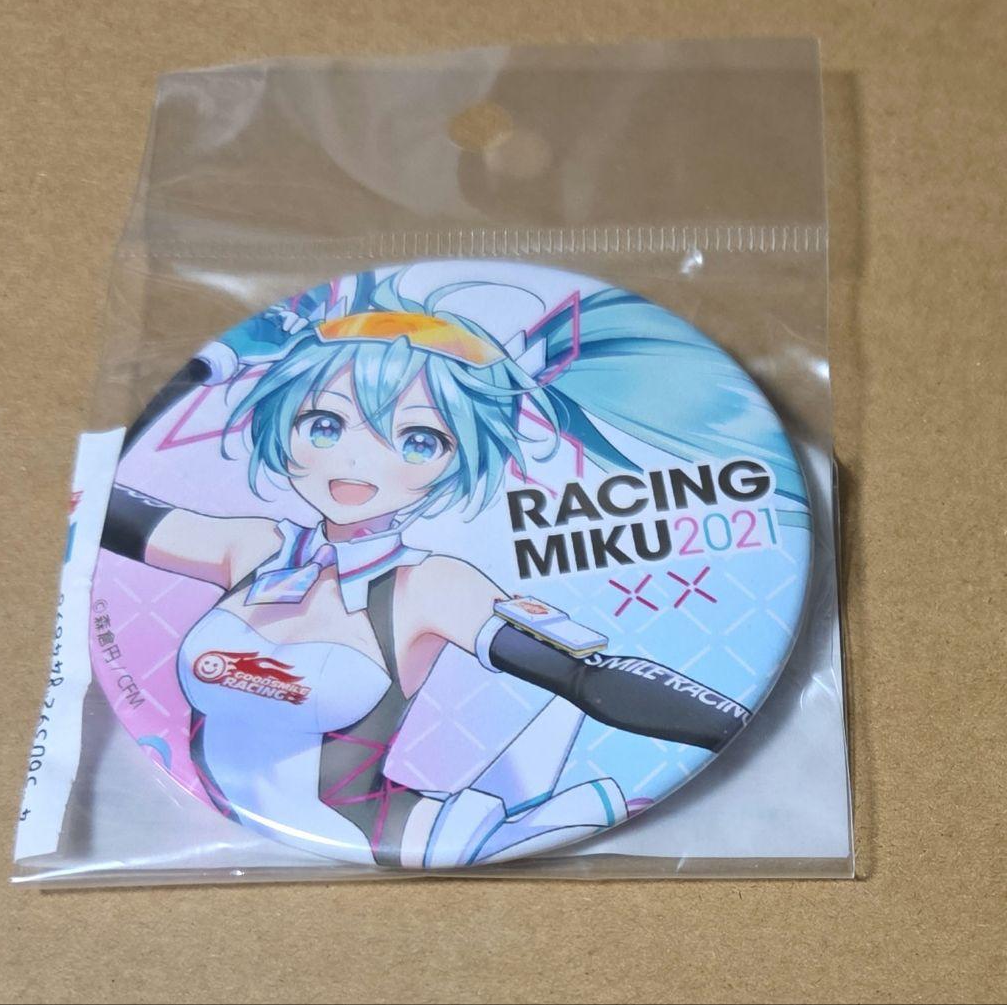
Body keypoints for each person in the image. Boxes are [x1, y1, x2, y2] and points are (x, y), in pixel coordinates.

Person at [102, 269, 806, 866]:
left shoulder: (428, 585)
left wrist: (738, 723)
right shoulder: (254, 548)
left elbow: (589, 677)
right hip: (204, 813)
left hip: (389, 837)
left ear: (457, 459)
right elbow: (109, 497)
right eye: (325, 425)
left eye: (417, 439)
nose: (357, 459)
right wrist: (213, 365)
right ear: (282, 424)